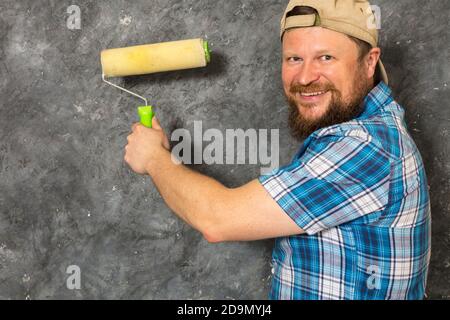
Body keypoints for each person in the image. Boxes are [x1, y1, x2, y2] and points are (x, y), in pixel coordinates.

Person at [124, 0, 431, 300]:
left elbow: (217, 220)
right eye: (294, 58)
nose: (306, 77)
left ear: (369, 62)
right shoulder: (363, 130)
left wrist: (153, 158)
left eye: (325, 57)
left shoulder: (365, 147)